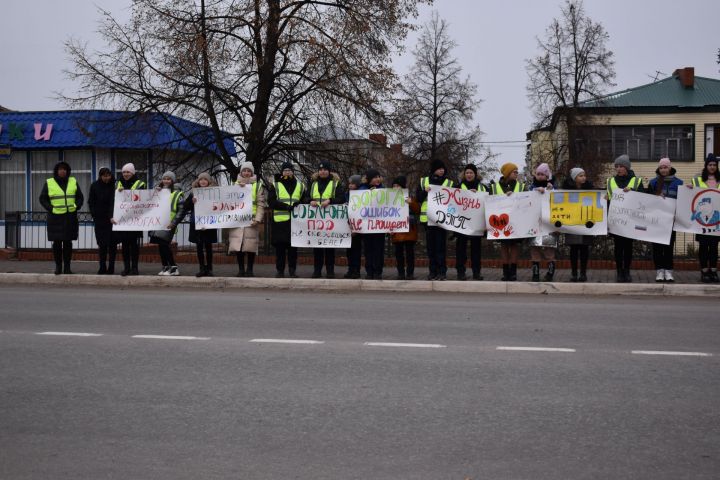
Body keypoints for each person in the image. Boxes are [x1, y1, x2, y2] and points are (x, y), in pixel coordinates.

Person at [39, 161, 84, 275]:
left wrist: (76, 206)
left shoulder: (73, 181)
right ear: (56, 171)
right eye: (60, 169)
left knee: (68, 243)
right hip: (55, 218)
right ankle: (58, 267)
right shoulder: (49, 182)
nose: (62, 171)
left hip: (70, 216)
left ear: (68, 171)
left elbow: (80, 197)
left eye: (64, 169)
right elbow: (42, 199)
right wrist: (51, 208)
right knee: (57, 244)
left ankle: (67, 268)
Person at [171, 172, 219, 277]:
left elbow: (219, 206)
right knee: (199, 247)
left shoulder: (214, 192)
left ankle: (209, 269)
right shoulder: (194, 193)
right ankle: (202, 268)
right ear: (198, 181)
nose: (202, 181)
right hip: (196, 224)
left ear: (209, 182)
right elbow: (186, 207)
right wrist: (192, 202)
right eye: (201, 179)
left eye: (205, 180)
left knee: (208, 247)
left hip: (209, 224)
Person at [606, 154, 643, 283]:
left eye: (621, 166)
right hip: (617, 221)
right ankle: (619, 272)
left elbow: (644, 200)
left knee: (628, 247)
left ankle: (627, 271)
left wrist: (632, 191)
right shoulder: (610, 181)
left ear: (627, 167)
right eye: (617, 166)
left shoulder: (636, 181)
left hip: (631, 221)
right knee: (618, 248)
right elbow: (608, 201)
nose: (619, 169)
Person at [304, 161, 344, 278]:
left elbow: (341, 198)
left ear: (329, 171)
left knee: (330, 249)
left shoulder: (336, 184)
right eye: (320, 169)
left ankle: (330, 271)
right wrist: (309, 201)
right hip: (316, 221)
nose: (323, 171)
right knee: (317, 248)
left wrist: (330, 201)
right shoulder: (313, 183)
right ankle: (317, 271)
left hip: (330, 221)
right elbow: (305, 197)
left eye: (325, 169)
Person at [416, 160, 455, 280]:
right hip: (428, 220)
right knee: (431, 248)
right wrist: (424, 191)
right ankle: (432, 272)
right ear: (434, 170)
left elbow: (455, 200)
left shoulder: (449, 183)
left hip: (442, 221)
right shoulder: (424, 181)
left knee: (440, 248)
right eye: (439, 168)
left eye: (443, 168)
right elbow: (418, 198)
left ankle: (442, 272)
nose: (442, 170)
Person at [489, 162, 526, 281]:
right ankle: (506, 272)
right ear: (507, 173)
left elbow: (526, 202)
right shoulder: (494, 187)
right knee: (504, 246)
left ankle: (513, 272)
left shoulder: (521, 186)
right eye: (514, 171)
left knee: (514, 246)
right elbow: (490, 203)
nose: (517, 174)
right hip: (501, 222)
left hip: (516, 221)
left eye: (517, 171)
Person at [647, 158, 683, 282]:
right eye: (661, 167)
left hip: (671, 221)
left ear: (670, 168)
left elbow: (683, 201)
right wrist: (655, 196)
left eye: (665, 167)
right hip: (656, 221)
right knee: (657, 247)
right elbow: (648, 201)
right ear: (659, 169)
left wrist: (689, 189)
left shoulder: (679, 183)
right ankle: (659, 271)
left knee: (668, 247)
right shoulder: (653, 183)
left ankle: (668, 271)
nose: (663, 170)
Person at [228, 162, 266, 277]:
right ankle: (240, 270)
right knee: (238, 245)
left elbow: (261, 203)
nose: (246, 173)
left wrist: (258, 219)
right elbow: (227, 203)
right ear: (241, 172)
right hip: (237, 220)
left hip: (251, 220)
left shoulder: (257, 185)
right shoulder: (234, 185)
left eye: (248, 171)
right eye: (244, 170)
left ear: (252, 172)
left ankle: (249, 270)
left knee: (250, 246)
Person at [267, 161, 304, 278]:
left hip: (295, 222)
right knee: (280, 249)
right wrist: (285, 206)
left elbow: (305, 200)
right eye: (285, 170)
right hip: (280, 222)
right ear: (282, 172)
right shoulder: (276, 185)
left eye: (289, 170)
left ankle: (292, 271)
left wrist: (298, 203)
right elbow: (271, 202)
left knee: (293, 249)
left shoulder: (300, 185)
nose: (287, 172)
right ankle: (280, 271)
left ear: (293, 172)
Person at [688, 153, 720, 283]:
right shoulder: (697, 180)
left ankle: (713, 270)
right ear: (706, 166)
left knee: (714, 247)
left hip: (716, 220)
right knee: (703, 246)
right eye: (710, 164)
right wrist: (689, 188)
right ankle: (704, 272)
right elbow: (691, 198)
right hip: (701, 221)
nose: (712, 167)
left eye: (714, 165)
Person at [562, 167, 595, 282]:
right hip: (572, 223)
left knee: (584, 249)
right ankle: (574, 272)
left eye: (584, 175)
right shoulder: (566, 189)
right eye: (580, 176)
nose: (584, 177)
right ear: (574, 178)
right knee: (574, 249)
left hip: (585, 223)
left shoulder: (590, 188)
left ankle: (583, 273)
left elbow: (595, 203)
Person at [113, 163, 146, 276]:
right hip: (123, 220)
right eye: (124, 172)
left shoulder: (140, 183)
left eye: (128, 172)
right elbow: (114, 201)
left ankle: (135, 268)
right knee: (125, 245)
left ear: (133, 173)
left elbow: (144, 200)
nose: (126, 174)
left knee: (134, 245)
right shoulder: (117, 184)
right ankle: (126, 268)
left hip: (135, 220)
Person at [149, 171, 184, 276]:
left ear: (172, 181)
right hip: (159, 223)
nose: (166, 181)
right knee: (161, 246)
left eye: (169, 179)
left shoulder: (177, 193)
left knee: (164, 245)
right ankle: (165, 267)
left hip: (169, 223)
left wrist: (174, 222)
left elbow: (181, 210)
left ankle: (173, 267)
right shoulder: (159, 191)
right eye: (164, 178)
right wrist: (155, 193)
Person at [456, 164, 486, 280]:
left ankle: (476, 272)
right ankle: (460, 272)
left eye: (471, 173)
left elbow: (488, 203)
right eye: (467, 173)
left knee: (476, 250)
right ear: (464, 174)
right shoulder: (458, 187)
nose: (469, 175)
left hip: (476, 224)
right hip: (461, 224)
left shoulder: (482, 188)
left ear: (475, 174)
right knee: (461, 250)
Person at [528, 163, 557, 282]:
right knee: (535, 249)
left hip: (548, 224)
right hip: (534, 223)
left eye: (542, 174)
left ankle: (550, 273)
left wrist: (550, 190)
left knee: (549, 249)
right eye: (538, 174)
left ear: (547, 176)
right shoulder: (531, 188)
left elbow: (558, 201)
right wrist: (536, 190)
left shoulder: (552, 188)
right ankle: (535, 274)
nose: (540, 176)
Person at [88, 167, 116, 274]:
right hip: (100, 220)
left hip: (112, 220)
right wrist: (94, 214)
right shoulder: (94, 186)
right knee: (102, 245)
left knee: (112, 245)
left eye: (108, 175)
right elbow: (91, 202)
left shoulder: (114, 186)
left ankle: (111, 267)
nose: (106, 178)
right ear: (100, 176)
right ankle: (102, 266)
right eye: (104, 176)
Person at [360, 169, 387, 279]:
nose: (377, 179)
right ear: (370, 179)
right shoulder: (361, 190)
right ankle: (369, 271)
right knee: (368, 250)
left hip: (379, 226)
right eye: (375, 177)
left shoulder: (383, 190)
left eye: (378, 177)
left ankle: (378, 271)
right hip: (367, 226)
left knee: (378, 250)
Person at [391, 176, 419, 280]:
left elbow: (417, 210)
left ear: (402, 187)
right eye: (393, 186)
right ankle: (401, 273)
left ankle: (410, 273)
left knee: (409, 253)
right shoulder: (389, 198)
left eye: (397, 185)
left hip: (409, 230)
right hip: (396, 230)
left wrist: (411, 203)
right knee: (398, 254)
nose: (395, 188)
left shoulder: (409, 197)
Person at [344, 174, 363, 279]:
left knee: (356, 250)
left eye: (353, 184)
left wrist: (356, 227)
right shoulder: (347, 194)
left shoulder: (361, 194)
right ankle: (350, 269)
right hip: (348, 225)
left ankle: (356, 270)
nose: (350, 185)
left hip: (357, 227)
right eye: (349, 183)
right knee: (349, 250)